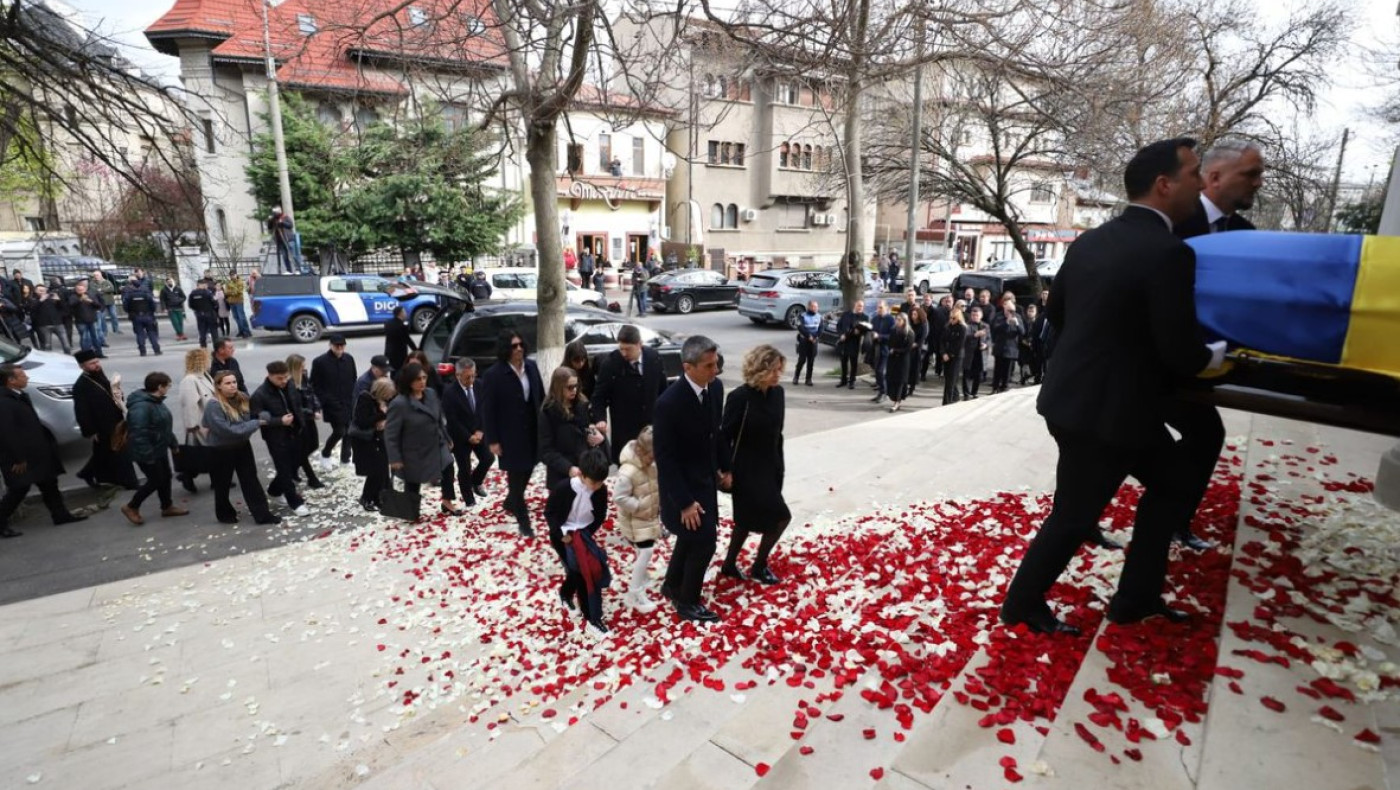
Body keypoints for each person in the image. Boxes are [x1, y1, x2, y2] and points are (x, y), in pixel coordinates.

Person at [999, 137, 1227, 636]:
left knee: (1171, 483)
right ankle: (1022, 606)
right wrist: (1219, 355)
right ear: (1164, 185)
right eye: (1193, 173)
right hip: (1106, 414)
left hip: (1088, 401)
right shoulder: (1169, 252)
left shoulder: (1090, 241)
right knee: (1074, 515)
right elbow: (1179, 351)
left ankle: (1138, 596)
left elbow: (1058, 314)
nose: (1200, 182)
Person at [1164, 139, 1266, 554]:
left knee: (1204, 436)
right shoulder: (1172, 225)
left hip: (1208, 360)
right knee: (1197, 435)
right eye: (1251, 174)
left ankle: (1174, 520)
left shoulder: (1246, 235)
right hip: (1160, 358)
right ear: (1215, 177)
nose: (1259, 183)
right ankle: (1164, 517)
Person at [654, 335, 731, 622]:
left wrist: (726, 467)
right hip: (682, 489)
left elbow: (717, 432)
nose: (716, 370)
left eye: (716, 364)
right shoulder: (668, 403)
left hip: (706, 480)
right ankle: (687, 601)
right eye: (709, 365)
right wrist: (685, 503)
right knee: (704, 541)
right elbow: (666, 459)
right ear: (688, 367)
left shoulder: (715, 388)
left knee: (691, 538)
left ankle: (672, 584)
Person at [719, 344, 791, 584]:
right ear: (760, 369)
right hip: (746, 470)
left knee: (745, 520)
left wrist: (779, 465)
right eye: (774, 370)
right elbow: (724, 436)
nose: (778, 375)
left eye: (780, 370)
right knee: (781, 517)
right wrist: (725, 469)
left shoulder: (778, 394)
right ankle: (759, 566)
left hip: (771, 466)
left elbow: (777, 432)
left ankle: (729, 565)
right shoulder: (740, 397)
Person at [0, 364, 87, 536]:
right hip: (23, 458)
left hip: (37, 453)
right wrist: (18, 458)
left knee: (49, 485)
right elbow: (6, 433)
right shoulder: (4, 402)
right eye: (22, 376)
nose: (27, 378)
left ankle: (60, 515)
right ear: (11, 381)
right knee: (18, 490)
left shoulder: (19, 395)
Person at [480, 331, 545, 535]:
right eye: (513, 346)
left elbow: (541, 396)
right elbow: (487, 409)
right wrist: (493, 440)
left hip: (532, 430)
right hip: (509, 434)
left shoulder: (532, 367)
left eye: (520, 345)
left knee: (528, 468)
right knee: (515, 476)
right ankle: (524, 522)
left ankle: (511, 501)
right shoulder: (494, 375)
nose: (518, 349)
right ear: (505, 350)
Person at [544, 448, 613, 634]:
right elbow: (549, 512)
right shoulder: (564, 487)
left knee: (584, 571)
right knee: (578, 573)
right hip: (562, 535)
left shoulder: (600, 491)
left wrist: (585, 534)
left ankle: (584, 608)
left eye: (601, 482)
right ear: (582, 474)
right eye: (594, 482)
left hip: (583, 534)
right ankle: (588, 613)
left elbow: (600, 515)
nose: (597, 486)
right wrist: (560, 534)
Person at [202, 370, 280, 525]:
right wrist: (256, 423)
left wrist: (263, 416)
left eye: (234, 382)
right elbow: (228, 430)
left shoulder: (242, 398)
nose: (232, 386)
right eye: (228, 383)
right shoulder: (214, 405)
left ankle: (262, 514)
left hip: (242, 446)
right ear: (218, 386)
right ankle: (224, 514)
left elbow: (256, 412)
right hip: (221, 449)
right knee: (222, 484)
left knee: (251, 480)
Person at [384, 361, 457, 517]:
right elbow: (391, 434)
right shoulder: (399, 404)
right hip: (414, 449)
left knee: (449, 466)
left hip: (436, 442)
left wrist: (447, 436)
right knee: (413, 480)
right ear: (409, 381)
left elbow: (438, 418)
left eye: (424, 378)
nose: (422, 382)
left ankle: (447, 501)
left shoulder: (430, 393)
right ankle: (410, 510)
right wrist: (394, 458)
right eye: (418, 379)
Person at [590, 324, 667, 465]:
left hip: (651, 433)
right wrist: (600, 419)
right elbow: (599, 397)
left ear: (639, 345)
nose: (624, 353)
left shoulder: (654, 358)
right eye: (621, 349)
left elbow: (663, 392)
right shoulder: (611, 364)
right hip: (625, 436)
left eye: (628, 349)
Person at [120, 372, 189, 525]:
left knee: (165, 476)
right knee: (155, 480)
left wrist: (173, 444)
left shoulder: (155, 401)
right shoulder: (141, 407)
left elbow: (163, 427)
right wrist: (148, 456)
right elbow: (138, 434)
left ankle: (167, 506)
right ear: (160, 387)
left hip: (159, 448)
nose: (169, 388)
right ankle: (131, 506)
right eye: (168, 386)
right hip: (147, 453)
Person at [250, 360, 310, 516]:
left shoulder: (289, 384)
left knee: (294, 465)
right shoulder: (260, 395)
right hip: (276, 437)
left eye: (285, 377)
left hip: (296, 431)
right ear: (269, 376)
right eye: (279, 378)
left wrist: (303, 417)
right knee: (284, 469)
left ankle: (275, 490)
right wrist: (279, 421)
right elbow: (258, 419)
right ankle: (295, 503)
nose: (283, 381)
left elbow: (296, 403)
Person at [72, 349, 139, 488]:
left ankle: (87, 473)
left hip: (115, 420)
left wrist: (119, 394)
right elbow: (81, 411)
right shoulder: (80, 386)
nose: (97, 365)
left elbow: (110, 395)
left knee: (104, 452)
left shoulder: (99, 375)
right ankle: (130, 482)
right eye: (92, 363)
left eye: (97, 361)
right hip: (101, 425)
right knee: (120, 453)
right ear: (82, 366)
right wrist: (91, 431)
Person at [539, 366, 609, 490]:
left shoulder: (582, 405)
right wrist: (568, 468)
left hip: (586, 471)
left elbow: (588, 431)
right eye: (570, 387)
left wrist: (599, 437)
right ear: (558, 388)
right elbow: (546, 450)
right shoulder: (548, 412)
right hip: (562, 473)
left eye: (576, 386)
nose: (574, 390)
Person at [614, 426, 660, 612]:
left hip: (648, 516)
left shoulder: (650, 465)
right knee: (646, 552)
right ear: (642, 451)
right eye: (651, 456)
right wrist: (639, 506)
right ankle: (634, 593)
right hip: (636, 520)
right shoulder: (628, 472)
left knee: (644, 551)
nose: (654, 460)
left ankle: (641, 579)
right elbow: (619, 497)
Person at [442, 358, 493, 507]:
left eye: (473, 375)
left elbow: (485, 410)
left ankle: (476, 482)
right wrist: (468, 436)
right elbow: (452, 420)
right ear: (458, 375)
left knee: (488, 458)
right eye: (467, 377)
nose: (471, 380)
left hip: (478, 432)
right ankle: (469, 499)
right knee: (464, 467)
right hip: (460, 436)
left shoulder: (480, 385)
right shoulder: (449, 392)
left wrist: (481, 430)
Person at [312, 334, 357, 469]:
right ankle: (325, 454)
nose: (339, 348)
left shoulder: (349, 359)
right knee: (339, 431)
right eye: (336, 345)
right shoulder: (320, 362)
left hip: (348, 401)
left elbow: (353, 378)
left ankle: (345, 459)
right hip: (332, 403)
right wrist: (322, 402)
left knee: (349, 431)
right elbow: (315, 384)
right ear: (330, 345)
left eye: (342, 345)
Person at [352, 377, 395, 511]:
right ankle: (366, 498)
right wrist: (381, 416)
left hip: (379, 439)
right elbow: (362, 421)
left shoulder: (384, 401)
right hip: (366, 441)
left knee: (382, 470)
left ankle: (376, 498)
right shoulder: (365, 399)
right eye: (388, 393)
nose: (390, 396)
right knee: (375, 471)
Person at [177, 348, 216, 493]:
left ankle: (213, 480)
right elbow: (190, 404)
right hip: (200, 423)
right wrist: (192, 425)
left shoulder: (205, 376)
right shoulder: (190, 380)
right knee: (202, 452)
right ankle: (187, 475)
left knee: (207, 451)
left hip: (208, 420)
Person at [286, 354, 324, 489]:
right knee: (302, 449)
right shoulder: (290, 384)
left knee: (313, 445)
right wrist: (311, 412)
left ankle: (294, 467)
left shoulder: (303, 378)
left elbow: (312, 394)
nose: (304, 368)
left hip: (309, 417)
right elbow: (294, 405)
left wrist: (317, 408)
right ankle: (311, 478)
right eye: (302, 366)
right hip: (300, 420)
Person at [990, 293, 1024, 394]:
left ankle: (1004, 388)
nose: (1010, 312)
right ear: (1004, 308)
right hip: (1000, 347)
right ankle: (995, 388)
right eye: (1008, 310)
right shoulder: (998, 316)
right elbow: (994, 328)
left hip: (1011, 348)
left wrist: (1017, 324)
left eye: (1012, 310)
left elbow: (1023, 332)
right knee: (997, 370)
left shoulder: (1017, 316)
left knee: (1007, 371)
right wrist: (1006, 323)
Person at [122, 276, 162, 356]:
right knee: (151, 333)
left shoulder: (129, 296)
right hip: (148, 315)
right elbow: (153, 305)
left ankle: (142, 351)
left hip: (136, 316)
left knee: (140, 334)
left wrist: (131, 312)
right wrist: (151, 312)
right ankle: (156, 350)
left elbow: (126, 306)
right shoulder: (146, 294)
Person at [834, 299, 868, 389]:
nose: (861, 308)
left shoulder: (864, 317)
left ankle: (852, 381)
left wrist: (859, 332)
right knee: (843, 361)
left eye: (862, 306)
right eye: (859, 306)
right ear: (855, 305)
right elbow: (839, 325)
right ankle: (843, 380)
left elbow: (866, 331)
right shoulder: (846, 314)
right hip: (844, 342)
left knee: (853, 363)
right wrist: (841, 335)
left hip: (854, 343)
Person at [884, 313, 915, 412]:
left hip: (903, 360)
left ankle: (897, 403)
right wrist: (891, 350)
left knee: (900, 382)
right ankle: (895, 399)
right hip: (892, 359)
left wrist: (896, 351)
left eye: (899, 320)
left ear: (904, 321)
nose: (897, 321)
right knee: (891, 379)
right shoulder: (894, 330)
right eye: (896, 319)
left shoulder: (909, 333)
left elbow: (907, 348)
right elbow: (889, 343)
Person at [27, 284, 68, 353]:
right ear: (35, 291)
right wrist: (40, 300)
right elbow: (31, 309)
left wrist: (59, 301)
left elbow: (63, 308)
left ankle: (69, 358)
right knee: (47, 346)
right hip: (44, 325)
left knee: (66, 344)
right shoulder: (32, 299)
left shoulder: (51, 297)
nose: (42, 292)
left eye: (44, 290)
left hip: (58, 323)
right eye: (40, 291)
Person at [68, 280, 103, 357]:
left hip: (92, 319)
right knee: (84, 338)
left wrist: (91, 302)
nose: (80, 291)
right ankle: (87, 355)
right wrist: (80, 300)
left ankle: (99, 353)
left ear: (85, 289)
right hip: (81, 321)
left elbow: (98, 305)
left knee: (96, 337)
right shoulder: (73, 296)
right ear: (76, 290)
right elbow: (71, 305)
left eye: (82, 289)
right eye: (78, 290)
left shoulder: (90, 295)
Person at [941, 306, 968, 405]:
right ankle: (956, 397)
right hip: (946, 356)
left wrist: (950, 354)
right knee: (950, 379)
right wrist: (943, 353)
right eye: (950, 318)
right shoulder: (947, 326)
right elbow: (942, 341)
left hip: (956, 357)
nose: (951, 320)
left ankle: (946, 402)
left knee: (950, 381)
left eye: (954, 318)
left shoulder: (962, 328)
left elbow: (959, 344)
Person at [869, 300, 894, 404]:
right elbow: (872, 331)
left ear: (886, 308)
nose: (879, 309)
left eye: (881, 307)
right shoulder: (874, 319)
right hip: (875, 349)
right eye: (878, 307)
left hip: (886, 349)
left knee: (880, 371)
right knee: (877, 372)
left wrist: (879, 336)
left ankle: (884, 393)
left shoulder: (890, 319)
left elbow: (892, 336)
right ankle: (880, 392)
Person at [792, 299, 820, 387]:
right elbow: (801, 327)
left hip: (814, 341)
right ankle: (796, 377)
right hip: (804, 341)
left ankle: (808, 379)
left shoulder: (819, 317)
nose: (815, 308)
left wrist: (814, 337)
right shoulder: (802, 316)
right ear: (808, 307)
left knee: (811, 361)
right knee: (802, 360)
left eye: (816, 307)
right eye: (813, 306)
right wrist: (809, 336)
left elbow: (821, 328)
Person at [962, 306, 988, 400]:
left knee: (978, 374)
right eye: (973, 315)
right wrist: (975, 335)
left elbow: (989, 339)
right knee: (967, 374)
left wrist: (986, 345)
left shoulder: (985, 326)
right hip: (969, 353)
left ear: (981, 316)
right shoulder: (967, 325)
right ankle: (966, 393)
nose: (975, 317)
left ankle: (974, 392)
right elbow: (964, 338)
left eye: (977, 315)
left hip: (980, 353)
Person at [384, 306, 417, 371]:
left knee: (392, 371)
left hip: (389, 352)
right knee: (400, 371)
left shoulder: (388, 323)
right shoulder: (402, 325)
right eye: (404, 312)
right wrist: (416, 350)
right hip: (399, 354)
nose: (405, 313)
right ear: (400, 313)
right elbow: (407, 339)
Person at [187, 279, 218, 348]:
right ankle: (216, 347)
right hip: (210, 314)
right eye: (205, 285)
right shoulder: (207, 292)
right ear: (202, 285)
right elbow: (215, 303)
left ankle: (203, 347)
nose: (206, 286)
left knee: (202, 331)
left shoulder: (192, 293)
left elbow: (190, 305)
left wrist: (197, 310)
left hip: (199, 314)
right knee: (214, 332)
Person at [906, 303, 928, 398]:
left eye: (915, 314)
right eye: (912, 314)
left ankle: (912, 387)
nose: (913, 316)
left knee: (914, 369)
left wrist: (914, 345)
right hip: (908, 348)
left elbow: (922, 339)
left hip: (917, 350)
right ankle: (906, 385)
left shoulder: (923, 325)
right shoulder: (910, 324)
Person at [91, 270, 121, 336]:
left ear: (101, 275)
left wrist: (101, 290)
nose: (96, 277)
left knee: (114, 315)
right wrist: (105, 289)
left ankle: (116, 329)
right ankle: (104, 331)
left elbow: (112, 289)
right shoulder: (92, 283)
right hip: (101, 303)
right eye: (95, 275)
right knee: (102, 317)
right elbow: (94, 291)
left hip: (110, 302)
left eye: (97, 275)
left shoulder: (107, 281)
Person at [1019, 303, 1042, 385]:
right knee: (1025, 364)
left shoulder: (1038, 322)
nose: (1030, 313)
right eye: (1029, 311)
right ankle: (1023, 377)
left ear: (1036, 312)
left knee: (1035, 366)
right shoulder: (1024, 321)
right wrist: (1024, 341)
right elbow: (1021, 333)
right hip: (1025, 347)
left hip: (1035, 347)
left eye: (1032, 311)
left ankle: (1033, 377)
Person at [268, 207, 297, 274]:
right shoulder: (274, 219)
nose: (275, 214)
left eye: (276, 212)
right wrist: (269, 220)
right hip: (280, 241)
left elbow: (290, 225)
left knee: (293, 255)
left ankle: (297, 269)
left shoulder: (285, 217)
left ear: (279, 212)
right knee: (284, 256)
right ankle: (289, 270)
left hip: (288, 239)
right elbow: (270, 227)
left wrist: (282, 223)